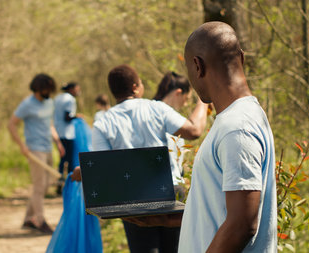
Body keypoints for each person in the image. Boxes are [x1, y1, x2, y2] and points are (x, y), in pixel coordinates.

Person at [73, 64, 208, 253]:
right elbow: (194, 130)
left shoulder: (103, 123)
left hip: (131, 199)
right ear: (136, 87)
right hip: (170, 192)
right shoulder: (156, 109)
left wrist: (83, 172)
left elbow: (103, 168)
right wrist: (204, 100)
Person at [178, 22, 277, 252]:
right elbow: (222, 209)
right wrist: (166, 219)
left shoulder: (237, 127)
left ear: (197, 66)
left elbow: (242, 224)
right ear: (241, 58)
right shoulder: (240, 119)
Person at [8, 73, 65, 234]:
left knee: (46, 185)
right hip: (34, 149)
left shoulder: (49, 103)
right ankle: (39, 221)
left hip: (47, 148)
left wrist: (58, 142)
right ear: (38, 89)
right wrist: (22, 146)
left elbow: (50, 125)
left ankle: (28, 220)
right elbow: (11, 124)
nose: (49, 93)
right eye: (46, 90)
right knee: (39, 187)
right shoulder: (27, 104)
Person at [153, 71, 192, 196]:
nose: (185, 104)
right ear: (178, 93)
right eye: (186, 99)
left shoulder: (149, 114)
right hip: (171, 187)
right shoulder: (171, 121)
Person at [53, 82, 80, 195]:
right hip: (68, 133)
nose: (78, 91)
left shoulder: (57, 98)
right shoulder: (70, 100)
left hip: (58, 132)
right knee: (70, 160)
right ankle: (69, 186)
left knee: (62, 159)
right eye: (77, 89)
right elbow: (67, 117)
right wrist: (77, 116)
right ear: (72, 89)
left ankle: (59, 182)